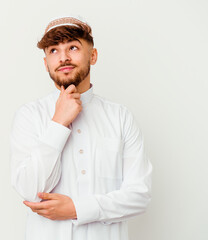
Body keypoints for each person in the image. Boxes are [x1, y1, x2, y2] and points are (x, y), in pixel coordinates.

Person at [10, 16, 152, 240]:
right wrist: (58, 123)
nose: (63, 57)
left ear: (93, 56)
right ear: (46, 63)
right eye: (54, 51)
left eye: (73, 47)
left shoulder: (120, 117)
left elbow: (139, 195)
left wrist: (77, 209)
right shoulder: (30, 116)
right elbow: (30, 190)